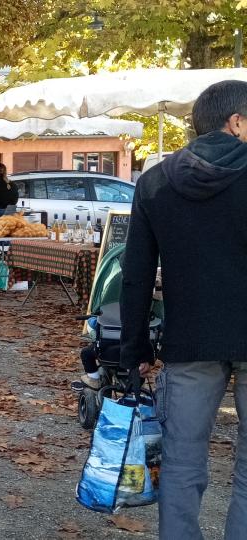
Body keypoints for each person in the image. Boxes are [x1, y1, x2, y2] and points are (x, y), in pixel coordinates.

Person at [120, 80, 247, 540]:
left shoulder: (155, 181)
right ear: (236, 122)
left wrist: (133, 347)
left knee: (181, 460)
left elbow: (134, 274)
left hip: (188, 339)